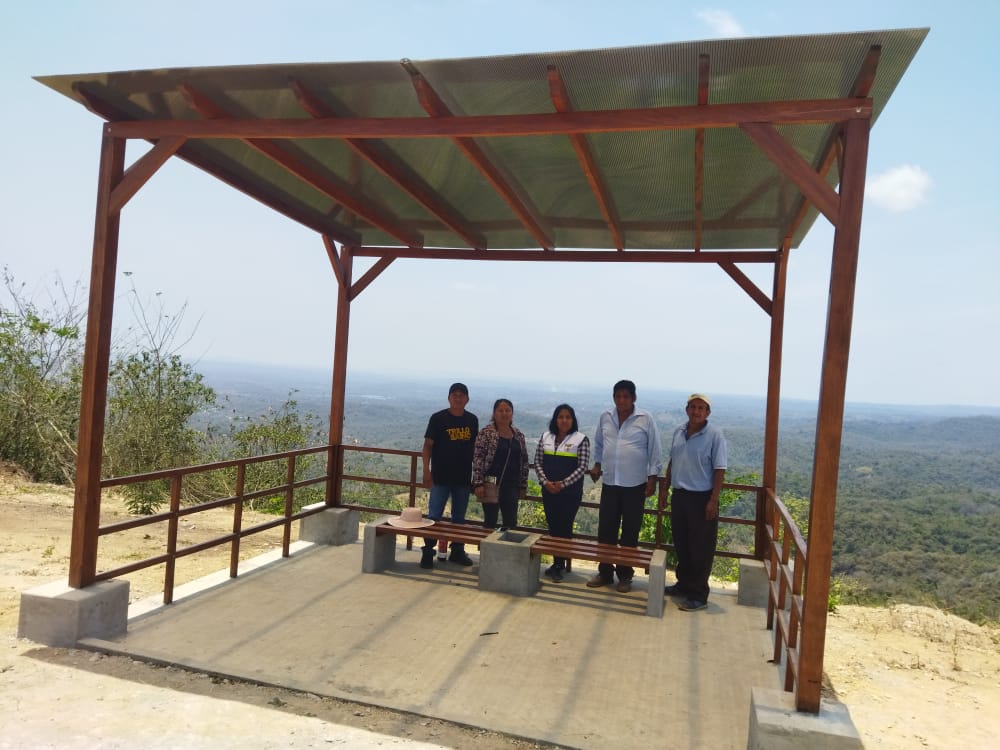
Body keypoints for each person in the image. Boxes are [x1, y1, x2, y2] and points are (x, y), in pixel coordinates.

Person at [587, 380, 662, 593]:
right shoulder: (605, 417)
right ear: (614, 398)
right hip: (610, 482)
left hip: (635, 485)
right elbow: (599, 443)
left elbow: (655, 450)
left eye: (626, 396)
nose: (621, 400)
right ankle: (605, 572)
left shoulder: (645, 419)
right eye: (618, 396)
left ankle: (625, 575)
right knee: (606, 530)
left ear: (633, 398)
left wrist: (653, 478)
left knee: (630, 532)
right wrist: (597, 464)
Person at [663, 393, 728, 612]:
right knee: (682, 544)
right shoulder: (679, 431)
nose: (696, 411)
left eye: (701, 408)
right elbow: (673, 461)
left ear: (708, 412)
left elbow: (720, 469)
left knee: (701, 548)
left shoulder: (715, 435)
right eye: (693, 407)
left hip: (702, 498)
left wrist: (713, 500)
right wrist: (665, 489)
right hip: (680, 495)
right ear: (686, 409)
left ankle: (699, 595)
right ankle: (683, 584)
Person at [420, 382, 479, 569]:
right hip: (440, 476)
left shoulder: (472, 420)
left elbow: (475, 449)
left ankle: (457, 551)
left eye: (462, 395)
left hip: (463, 477)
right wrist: (426, 470)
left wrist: (476, 476)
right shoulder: (438, 418)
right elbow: (427, 446)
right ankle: (428, 551)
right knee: (433, 516)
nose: (458, 398)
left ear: (467, 399)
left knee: (459, 518)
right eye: (455, 395)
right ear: (449, 398)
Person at [534, 404, 590, 582]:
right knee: (553, 527)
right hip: (548, 491)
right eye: (560, 417)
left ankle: (559, 565)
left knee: (564, 528)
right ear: (555, 419)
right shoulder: (546, 437)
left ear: (573, 420)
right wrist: (545, 482)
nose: (564, 420)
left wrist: (562, 484)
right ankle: (557, 563)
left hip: (569, 494)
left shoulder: (581, 439)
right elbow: (538, 462)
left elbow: (582, 467)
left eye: (568, 417)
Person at [472, 398, 529, 531]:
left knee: (511, 522)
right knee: (490, 520)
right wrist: (478, 483)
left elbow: (524, 461)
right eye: (500, 410)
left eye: (507, 410)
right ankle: (487, 545)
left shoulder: (518, 435)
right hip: (490, 483)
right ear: (494, 413)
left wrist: (523, 485)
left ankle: (507, 545)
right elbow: (478, 458)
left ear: (512, 413)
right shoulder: (486, 433)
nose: (504, 413)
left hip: (512, 485)